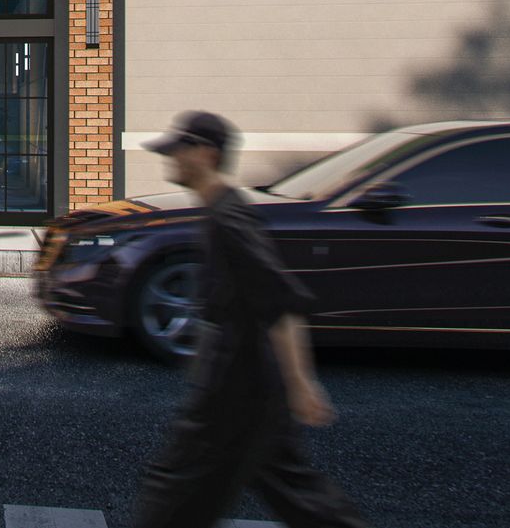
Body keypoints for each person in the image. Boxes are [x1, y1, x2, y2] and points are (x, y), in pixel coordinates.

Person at [131, 109, 368, 528]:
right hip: (248, 381)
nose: (170, 158)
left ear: (204, 153)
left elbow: (279, 298)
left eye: (177, 150)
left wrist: (301, 384)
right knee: (296, 492)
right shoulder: (222, 210)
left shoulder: (228, 217)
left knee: (174, 488)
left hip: (236, 384)